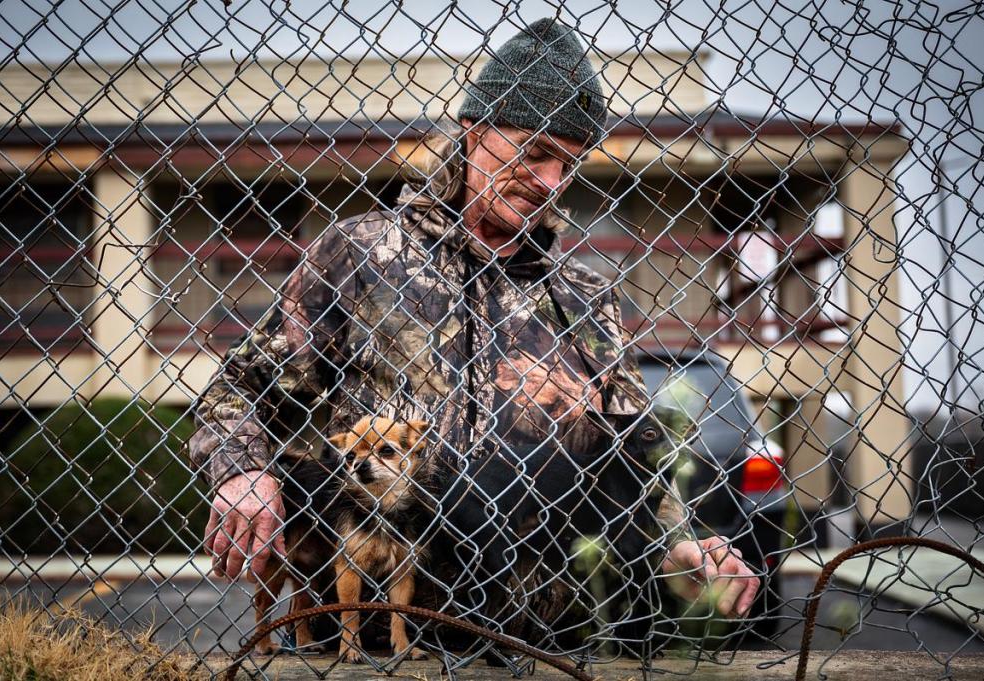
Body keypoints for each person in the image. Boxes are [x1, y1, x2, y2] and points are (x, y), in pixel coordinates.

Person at [188, 17, 759, 626]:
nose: (550, 183)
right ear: (472, 133)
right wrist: (244, 473)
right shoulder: (357, 254)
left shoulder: (587, 297)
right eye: (534, 152)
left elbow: (629, 457)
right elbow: (241, 388)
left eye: (568, 165)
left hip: (540, 643)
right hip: (375, 636)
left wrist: (681, 547)